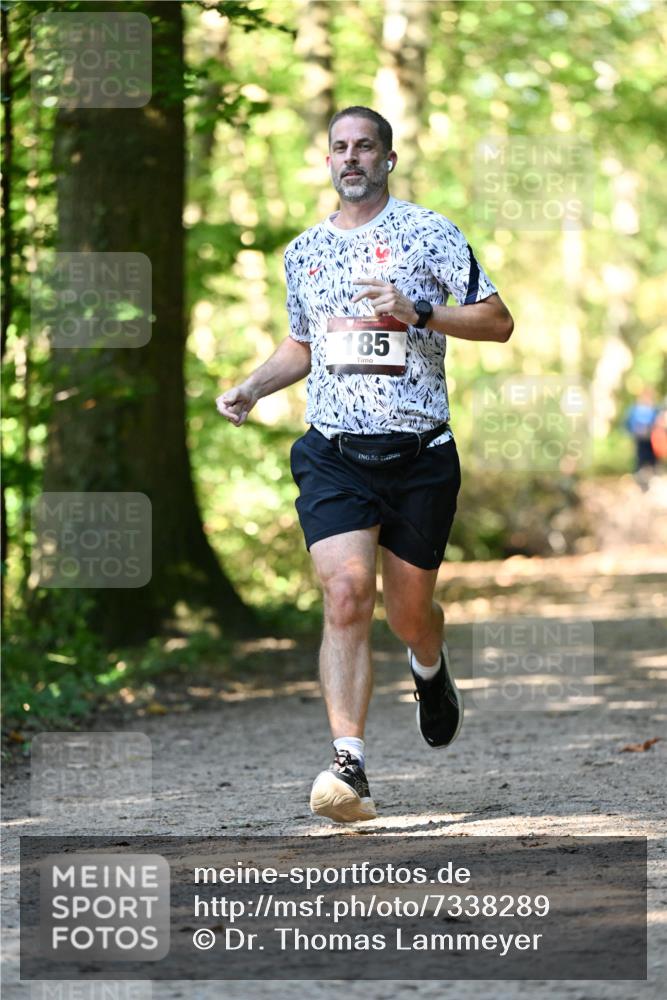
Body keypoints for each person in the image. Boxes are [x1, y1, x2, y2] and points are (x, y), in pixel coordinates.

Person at [217, 106, 513, 823]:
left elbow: (497, 321)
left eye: (365, 147)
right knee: (347, 593)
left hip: (419, 456)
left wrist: (420, 313)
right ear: (328, 161)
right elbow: (304, 343)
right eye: (340, 148)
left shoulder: (429, 232)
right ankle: (347, 763)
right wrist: (253, 386)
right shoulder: (304, 252)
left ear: (388, 159)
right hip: (334, 454)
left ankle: (428, 664)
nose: (351, 157)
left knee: (409, 614)